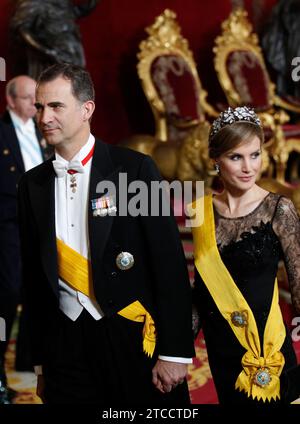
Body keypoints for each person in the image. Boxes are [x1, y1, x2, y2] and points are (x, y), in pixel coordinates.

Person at [17, 63, 195, 404]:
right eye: (39, 107)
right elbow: (35, 283)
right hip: (63, 345)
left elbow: (170, 266)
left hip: (129, 337)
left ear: (87, 109)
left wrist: (174, 352)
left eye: (56, 106)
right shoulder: (31, 185)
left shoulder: (137, 169)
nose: (44, 117)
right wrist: (40, 364)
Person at [190, 106, 300, 404]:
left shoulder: (280, 209)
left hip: (269, 347)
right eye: (235, 157)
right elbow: (202, 290)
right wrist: (179, 348)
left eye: (255, 154)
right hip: (222, 351)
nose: (248, 167)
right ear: (216, 160)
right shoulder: (200, 212)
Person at [0, 75, 51, 404]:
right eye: (30, 97)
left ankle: (28, 362)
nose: (36, 103)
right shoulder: (2, 134)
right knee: (7, 296)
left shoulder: (43, 131)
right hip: (7, 229)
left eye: (39, 97)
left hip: (41, 227)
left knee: (39, 293)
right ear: (11, 101)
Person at [10, 0, 100, 79]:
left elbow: (74, 13)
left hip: (72, 52)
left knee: (75, 85)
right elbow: (22, 30)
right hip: (50, 57)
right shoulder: (32, 2)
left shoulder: (62, 2)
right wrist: (46, 51)